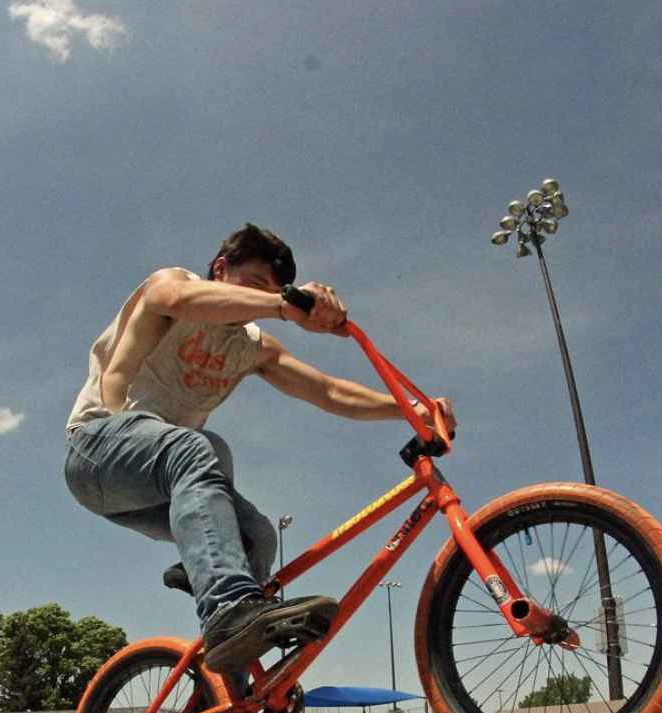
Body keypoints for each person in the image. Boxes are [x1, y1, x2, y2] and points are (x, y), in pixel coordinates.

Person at [64, 223, 455, 676]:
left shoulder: (252, 347)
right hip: (97, 450)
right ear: (219, 269)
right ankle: (226, 605)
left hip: (149, 490)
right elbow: (175, 299)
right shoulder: (174, 285)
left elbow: (329, 392)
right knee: (201, 448)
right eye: (252, 287)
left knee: (258, 536)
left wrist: (412, 411)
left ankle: (233, 694)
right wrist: (284, 305)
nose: (260, 302)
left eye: (271, 292)